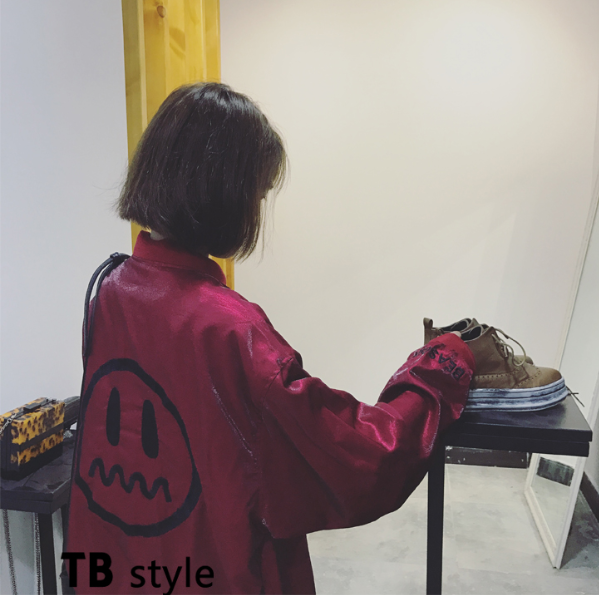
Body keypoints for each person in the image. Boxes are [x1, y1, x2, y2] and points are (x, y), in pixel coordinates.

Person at [64, 82, 475, 594]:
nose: (257, 208)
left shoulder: (112, 290)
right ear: (226, 194)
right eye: (258, 193)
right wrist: (441, 365)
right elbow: (363, 459)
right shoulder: (231, 330)